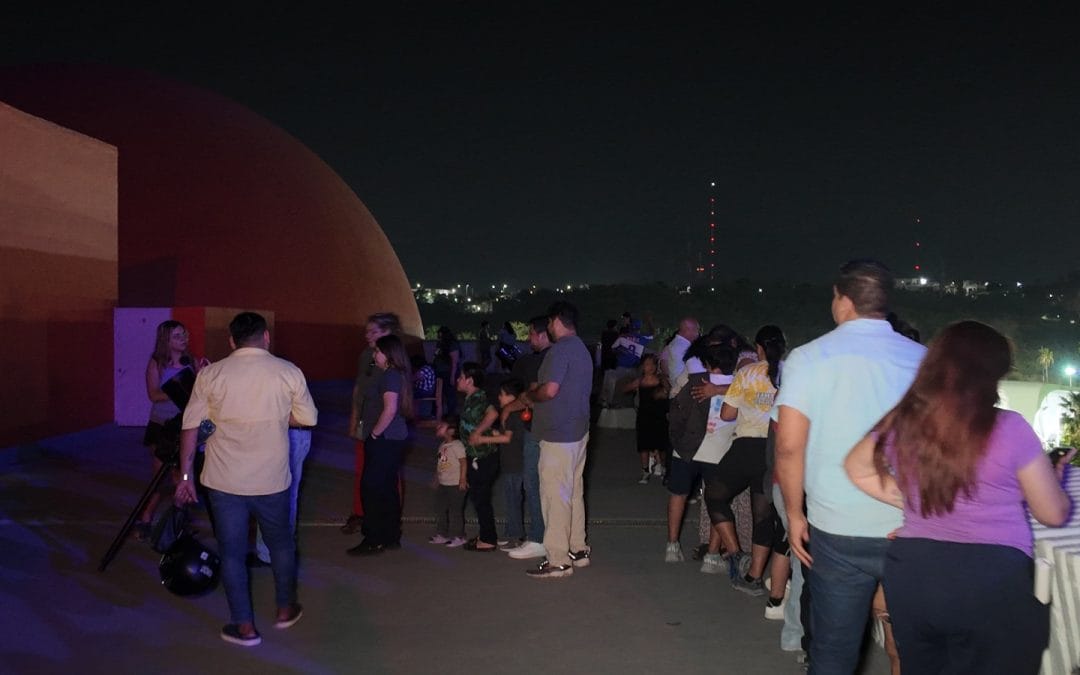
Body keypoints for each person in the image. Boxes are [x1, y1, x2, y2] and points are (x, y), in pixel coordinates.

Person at [845, 320, 1075, 674]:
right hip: (990, 577)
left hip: (915, 572)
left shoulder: (907, 420)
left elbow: (857, 467)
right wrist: (1054, 481)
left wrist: (913, 502)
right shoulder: (1011, 427)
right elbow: (1052, 514)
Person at [774, 259, 926, 673]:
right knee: (915, 646)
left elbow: (788, 446)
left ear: (842, 300)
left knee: (834, 652)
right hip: (910, 525)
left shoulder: (808, 358)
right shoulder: (924, 359)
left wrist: (794, 514)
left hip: (836, 528)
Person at [174, 312, 317, 647]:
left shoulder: (211, 374)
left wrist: (185, 476)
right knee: (281, 545)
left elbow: (190, 427)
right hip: (271, 479)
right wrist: (277, 416)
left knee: (232, 552)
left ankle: (245, 627)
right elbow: (307, 418)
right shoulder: (288, 372)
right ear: (266, 337)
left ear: (231, 341)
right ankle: (285, 609)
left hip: (224, 481)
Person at [520, 301, 593, 578]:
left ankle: (558, 559)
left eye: (549, 322)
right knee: (573, 492)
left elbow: (549, 391)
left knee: (554, 496)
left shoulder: (560, 350)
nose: (548, 327)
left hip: (558, 435)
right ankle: (577, 549)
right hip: (577, 431)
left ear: (556, 321)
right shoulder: (581, 349)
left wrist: (531, 395)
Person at [717, 325, 786, 595]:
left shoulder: (747, 373)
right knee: (763, 514)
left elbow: (726, 414)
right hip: (777, 449)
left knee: (715, 495)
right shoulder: (792, 373)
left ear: (758, 348)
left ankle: (735, 552)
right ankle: (754, 576)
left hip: (747, 447)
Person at [665, 342, 736, 566]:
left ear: (708, 363)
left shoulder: (697, 380)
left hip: (686, 449)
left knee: (678, 495)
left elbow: (676, 407)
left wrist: (677, 438)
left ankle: (672, 545)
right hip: (719, 452)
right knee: (717, 502)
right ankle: (712, 556)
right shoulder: (739, 385)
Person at [136, 320, 204, 541]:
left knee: (182, 475)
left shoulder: (191, 361)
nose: (183, 339)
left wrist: (201, 377)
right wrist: (178, 389)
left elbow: (201, 392)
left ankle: (177, 523)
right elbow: (153, 395)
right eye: (177, 336)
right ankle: (146, 518)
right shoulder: (157, 363)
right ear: (166, 340)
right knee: (161, 476)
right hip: (162, 426)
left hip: (184, 426)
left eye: (184, 335)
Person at [347, 334, 412, 556]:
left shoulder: (390, 375)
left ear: (388, 354)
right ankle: (390, 536)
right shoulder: (396, 374)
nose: (374, 355)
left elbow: (390, 409)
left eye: (378, 351)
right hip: (394, 438)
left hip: (385, 439)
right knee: (387, 487)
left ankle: (374, 538)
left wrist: (374, 435)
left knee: (371, 488)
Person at [343, 312, 401, 535]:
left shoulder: (394, 361)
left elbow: (393, 405)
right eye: (367, 331)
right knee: (362, 470)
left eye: (373, 332)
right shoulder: (367, 355)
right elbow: (359, 389)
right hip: (365, 423)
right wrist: (354, 419)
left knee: (387, 474)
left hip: (383, 428)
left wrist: (377, 432)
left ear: (388, 332)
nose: (367, 336)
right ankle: (361, 513)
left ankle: (387, 518)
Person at [458, 362, 500, 551]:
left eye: (461, 377)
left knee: (480, 497)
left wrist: (478, 432)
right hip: (476, 456)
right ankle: (485, 535)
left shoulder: (478, 398)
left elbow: (493, 413)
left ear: (469, 380)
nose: (457, 380)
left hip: (483, 457)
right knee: (478, 497)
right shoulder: (471, 398)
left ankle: (488, 539)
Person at [482, 377, 528, 549]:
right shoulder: (511, 414)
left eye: (502, 394)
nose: (499, 397)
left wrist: (482, 439)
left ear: (512, 397)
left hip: (514, 464)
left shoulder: (512, 414)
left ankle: (515, 536)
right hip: (512, 463)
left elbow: (507, 438)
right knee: (511, 499)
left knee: (513, 500)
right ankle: (511, 532)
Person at [621, 353, 669, 483]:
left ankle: (663, 468)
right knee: (643, 445)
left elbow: (668, 392)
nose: (650, 367)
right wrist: (632, 387)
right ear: (642, 366)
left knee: (661, 445)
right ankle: (645, 471)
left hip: (659, 416)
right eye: (647, 364)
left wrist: (664, 393)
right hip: (644, 416)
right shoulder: (640, 381)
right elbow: (625, 388)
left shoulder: (661, 380)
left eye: (653, 364)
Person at [429, 413, 467, 547]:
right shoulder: (442, 445)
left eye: (442, 425)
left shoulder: (457, 445)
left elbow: (463, 462)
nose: (438, 427)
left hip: (455, 484)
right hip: (443, 484)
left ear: (451, 430)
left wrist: (462, 479)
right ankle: (442, 534)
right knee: (440, 508)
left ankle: (459, 536)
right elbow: (441, 463)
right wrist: (436, 478)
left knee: (455, 510)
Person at [660, 317, 700, 392]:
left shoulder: (674, 344)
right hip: (683, 388)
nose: (697, 334)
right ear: (688, 330)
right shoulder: (685, 346)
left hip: (676, 386)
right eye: (696, 330)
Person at [433, 326, 462, 415]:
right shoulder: (440, 343)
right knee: (439, 393)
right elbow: (437, 355)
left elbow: (454, 361)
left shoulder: (452, 344)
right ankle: (440, 413)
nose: (439, 337)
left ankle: (451, 413)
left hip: (448, 372)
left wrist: (452, 376)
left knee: (450, 393)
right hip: (440, 371)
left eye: (440, 335)